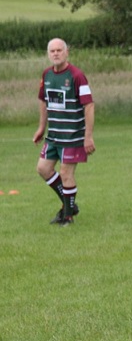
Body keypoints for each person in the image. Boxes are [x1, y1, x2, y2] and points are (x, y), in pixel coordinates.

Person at [33, 38, 95, 227]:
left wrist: (88, 136)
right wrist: (42, 127)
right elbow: (43, 101)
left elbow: (89, 105)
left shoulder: (77, 76)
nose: (56, 53)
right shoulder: (46, 75)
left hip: (73, 136)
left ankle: (67, 215)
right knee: (43, 169)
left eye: (60, 50)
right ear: (48, 54)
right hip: (54, 136)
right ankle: (70, 205)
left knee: (66, 173)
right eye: (52, 51)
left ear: (66, 52)